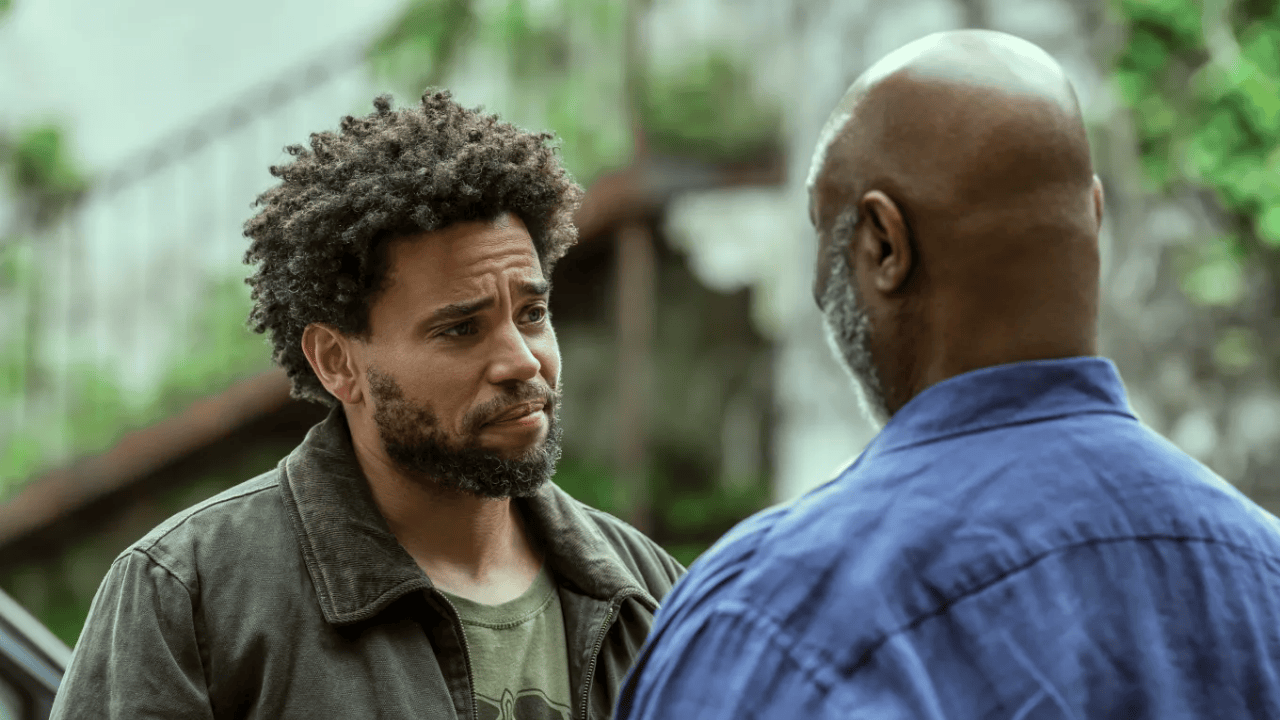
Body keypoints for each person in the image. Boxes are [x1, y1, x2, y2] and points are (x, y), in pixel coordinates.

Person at [617, 29, 1280, 719]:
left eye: (821, 229)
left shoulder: (770, 619)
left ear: (884, 244)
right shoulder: (1263, 570)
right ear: (1095, 216)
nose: (815, 286)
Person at [51, 91, 684, 720]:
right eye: (461, 328)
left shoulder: (652, 594)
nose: (521, 360)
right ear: (336, 361)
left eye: (533, 314)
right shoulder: (188, 596)